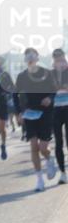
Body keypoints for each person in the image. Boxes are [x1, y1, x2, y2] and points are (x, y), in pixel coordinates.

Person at [12, 48, 59, 192]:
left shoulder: (46, 73)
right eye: (27, 56)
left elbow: (54, 90)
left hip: (45, 113)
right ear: (25, 60)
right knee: (33, 146)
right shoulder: (21, 76)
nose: (30, 58)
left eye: (32, 56)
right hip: (29, 113)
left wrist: (49, 98)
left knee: (43, 148)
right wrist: (18, 113)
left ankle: (49, 159)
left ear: (37, 58)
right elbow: (15, 95)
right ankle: (39, 180)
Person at [52, 48, 68, 184]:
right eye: (57, 60)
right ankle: (63, 173)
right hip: (55, 110)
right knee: (58, 143)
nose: (60, 62)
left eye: (61, 59)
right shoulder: (50, 74)